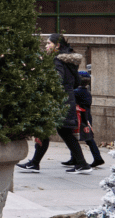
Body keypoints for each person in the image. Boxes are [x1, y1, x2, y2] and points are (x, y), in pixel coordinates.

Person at [18, 34, 93, 173]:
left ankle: (35, 163)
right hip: (67, 99)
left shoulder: (56, 60)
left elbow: (56, 80)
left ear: (57, 45)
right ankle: (82, 164)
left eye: (48, 43)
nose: (46, 46)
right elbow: (76, 81)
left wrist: (39, 75)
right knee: (64, 132)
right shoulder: (69, 61)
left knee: (44, 129)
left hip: (56, 101)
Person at [72, 73, 105, 168]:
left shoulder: (77, 92)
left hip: (81, 118)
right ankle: (74, 158)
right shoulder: (86, 91)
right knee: (81, 137)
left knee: (87, 139)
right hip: (86, 117)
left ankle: (97, 158)